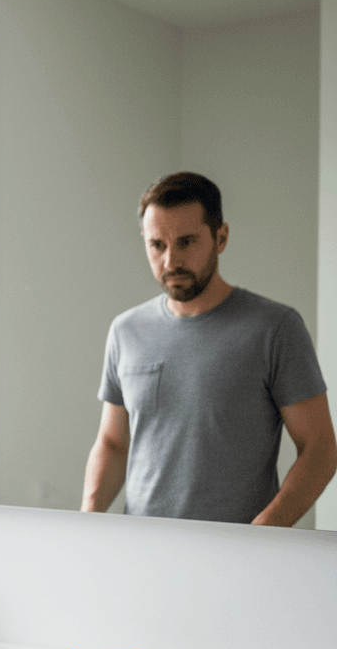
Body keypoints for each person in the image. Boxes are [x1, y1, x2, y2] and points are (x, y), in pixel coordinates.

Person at [82, 171, 336, 525]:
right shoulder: (126, 331)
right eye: (157, 245)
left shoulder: (275, 328)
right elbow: (113, 444)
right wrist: (86, 524)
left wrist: (261, 535)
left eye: (186, 242)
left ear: (221, 237)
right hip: (140, 551)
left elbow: (320, 450)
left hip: (235, 556)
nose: (171, 261)